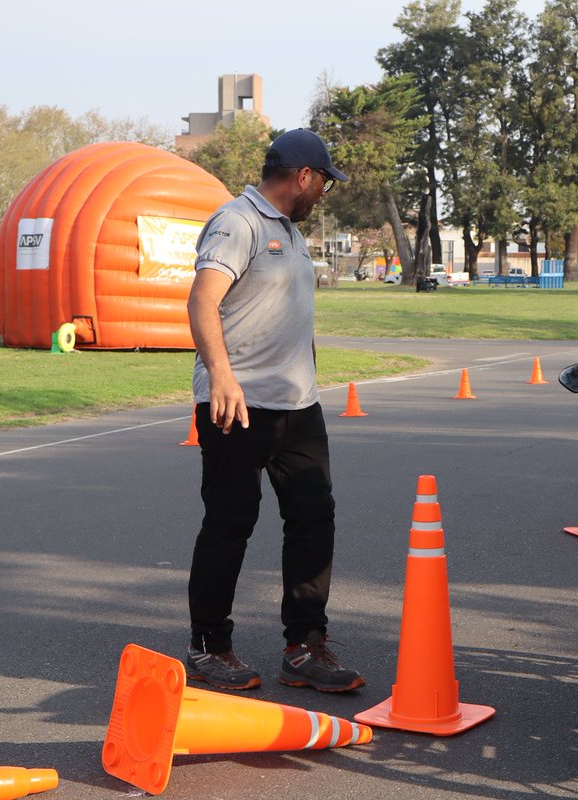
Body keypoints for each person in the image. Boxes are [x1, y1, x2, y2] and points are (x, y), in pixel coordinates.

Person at [184, 128, 364, 693]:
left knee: (314, 521)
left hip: (297, 407)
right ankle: (209, 647)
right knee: (230, 526)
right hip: (237, 405)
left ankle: (305, 645)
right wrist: (221, 377)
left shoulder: (291, 232)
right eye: (322, 185)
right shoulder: (238, 223)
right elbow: (201, 298)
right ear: (303, 177)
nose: (322, 197)